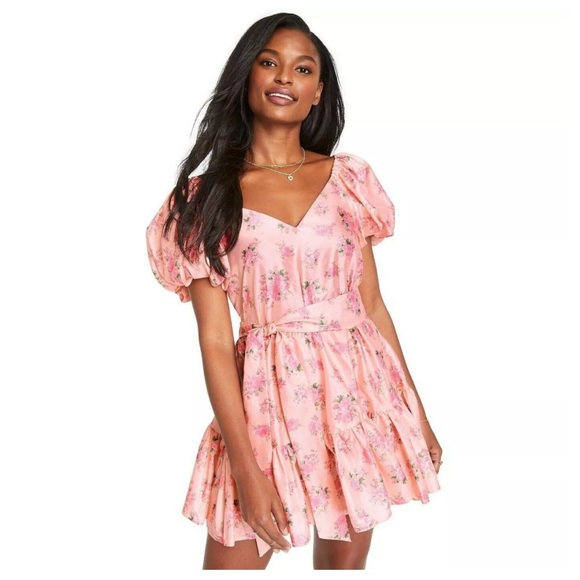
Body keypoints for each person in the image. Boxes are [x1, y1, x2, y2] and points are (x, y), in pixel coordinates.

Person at [145, 12, 442, 570]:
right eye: (270, 62)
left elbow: (372, 306)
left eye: (303, 69)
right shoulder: (204, 200)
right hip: (264, 406)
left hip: (356, 399)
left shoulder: (349, 180)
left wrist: (416, 413)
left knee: (341, 568)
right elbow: (216, 343)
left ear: (318, 91)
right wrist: (244, 467)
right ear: (247, 75)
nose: (285, 77)